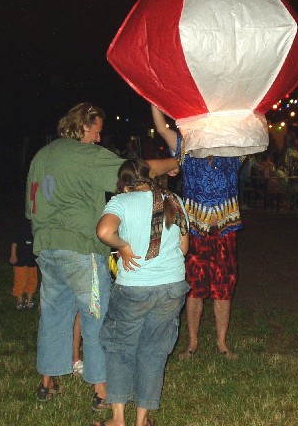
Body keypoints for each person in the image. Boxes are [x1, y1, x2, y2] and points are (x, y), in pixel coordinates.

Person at [26, 102, 179, 404]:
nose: (98, 138)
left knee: (54, 313)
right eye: (96, 131)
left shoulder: (41, 155)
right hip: (81, 249)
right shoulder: (87, 155)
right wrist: (173, 163)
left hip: (46, 246)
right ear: (83, 125)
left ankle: (48, 380)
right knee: (97, 316)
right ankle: (100, 388)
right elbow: (133, 173)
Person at [95, 159, 190, 426]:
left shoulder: (120, 203)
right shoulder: (174, 200)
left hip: (135, 288)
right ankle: (142, 419)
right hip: (171, 287)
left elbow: (104, 231)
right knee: (154, 350)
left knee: (120, 348)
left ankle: (118, 420)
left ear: (125, 185)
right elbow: (183, 248)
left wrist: (123, 246)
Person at [151, 105, 241, 359]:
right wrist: (155, 98)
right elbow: (161, 127)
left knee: (224, 288)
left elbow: (255, 132)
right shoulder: (186, 149)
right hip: (196, 229)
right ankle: (192, 343)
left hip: (225, 228)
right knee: (194, 288)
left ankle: (222, 344)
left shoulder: (234, 151)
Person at [9, 218, 38, 309]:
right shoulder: (23, 227)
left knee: (32, 280)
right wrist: (13, 255)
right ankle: (19, 301)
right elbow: (14, 243)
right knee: (20, 280)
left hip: (32, 261)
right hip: (21, 260)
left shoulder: (38, 228)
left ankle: (29, 300)